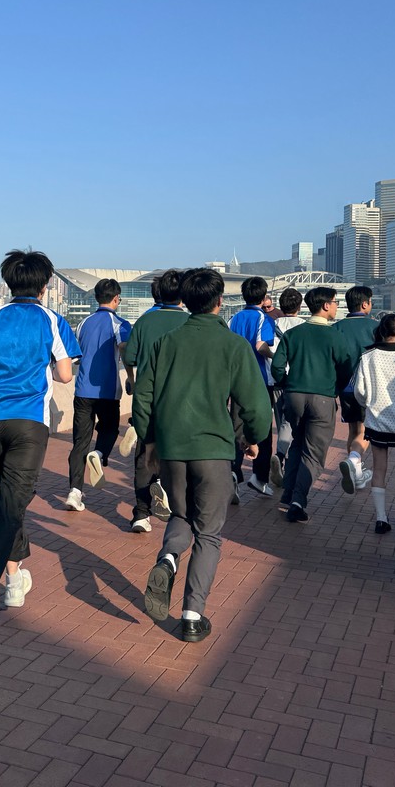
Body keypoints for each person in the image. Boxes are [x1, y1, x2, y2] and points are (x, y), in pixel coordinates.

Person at [0, 250, 80, 667]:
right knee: (11, 502)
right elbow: (65, 374)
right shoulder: (51, 320)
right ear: (45, 285)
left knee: (10, 498)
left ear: (9, 283)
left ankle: (15, 577)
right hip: (27, 423)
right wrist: (43, 368)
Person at [133, 268, 272, 643]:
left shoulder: (166, 342)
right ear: (219, 301)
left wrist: (150, 439)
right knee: (209, 533)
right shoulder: (233, 345)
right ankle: (192, 616)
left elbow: (143, 397)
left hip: (172, 449)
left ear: (185, 300)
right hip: (213, 449)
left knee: (181, 515)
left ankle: (168, 558)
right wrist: (254, 439)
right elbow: (256, 404)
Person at [270, 286, 347, 523]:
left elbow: (277, 367)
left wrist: (288, 382)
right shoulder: (335, 335)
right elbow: (346, 367)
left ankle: (288, 492)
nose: (336, 306)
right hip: (322, 398)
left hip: (294, 396)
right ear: (325, 305)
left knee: (298, 442)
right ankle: (297, 501)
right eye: (335, 302)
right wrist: (335, 388)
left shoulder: (294, 334)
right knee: (314, 452)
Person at [121, 269, 188, 532]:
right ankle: (169, 494)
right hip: (180, 400)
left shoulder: (144, 322)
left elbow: (130, 357)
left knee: (144, 456)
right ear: (183, 295)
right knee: (177, 453)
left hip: (148, 398)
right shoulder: (189, 322)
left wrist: (133, 380)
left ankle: (141, 513)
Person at [65, 279, 131, 512]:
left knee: (79, 442)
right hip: (107, 391)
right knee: (110, 430)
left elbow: (76, 355)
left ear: (96, 298)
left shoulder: (83, 323)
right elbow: (125, 350)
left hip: (82, 391)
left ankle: (74, 492)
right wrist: (131, 377)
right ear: (116, 298)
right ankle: (99, 453)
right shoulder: (120, 324)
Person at [349, 313, 395, 533]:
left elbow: (359, 392)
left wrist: (369, 404)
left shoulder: (368, 357)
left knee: (379, 468)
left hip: (377, 421)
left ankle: (381, 518)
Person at [228, 277, 277, 498]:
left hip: (235, 381)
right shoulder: (263, 318)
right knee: (263, 428)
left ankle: (234, 473)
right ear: (264, 297)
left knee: (236, 429)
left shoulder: (234, 318)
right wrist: (273, 356)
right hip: (259, 381)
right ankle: (259, 477)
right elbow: (260, 345)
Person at [335, 286, 380, 488]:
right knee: (366, 430)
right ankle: (353, 460)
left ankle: (357, 474)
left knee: (353, 429)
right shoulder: (375, 327)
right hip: (367, 386)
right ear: (364, 304)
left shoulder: (337, 328)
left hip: (344, 387)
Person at [268, 287, 305, 482]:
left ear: (281, 306)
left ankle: (280, 460)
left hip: (277, 380)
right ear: (299, 306)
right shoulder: (305, 326)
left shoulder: (271, 325)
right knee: (293, 424)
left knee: (281, 419)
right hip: (297, 382)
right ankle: (285, 459)